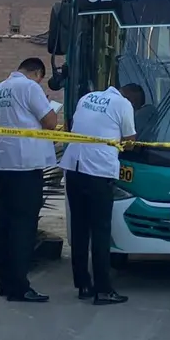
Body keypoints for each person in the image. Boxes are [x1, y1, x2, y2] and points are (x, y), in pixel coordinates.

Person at [58, 82, 145, 306]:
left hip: (73, 168)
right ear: (133, 100)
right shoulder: (123, 104)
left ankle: (83, 285)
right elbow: (130, 143)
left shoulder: (87, 98)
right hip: (98, 172)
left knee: (79, 228)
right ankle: (103, 290)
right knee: (100, 231)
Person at [0, 58, 59, 303]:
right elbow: (51, 122)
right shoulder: (30, 88)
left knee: (6, 224)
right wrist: (48, 106)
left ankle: (6, 283)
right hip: (27, 164)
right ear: (37, 73)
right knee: (23, 226)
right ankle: (20, 286)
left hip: (4, 163)